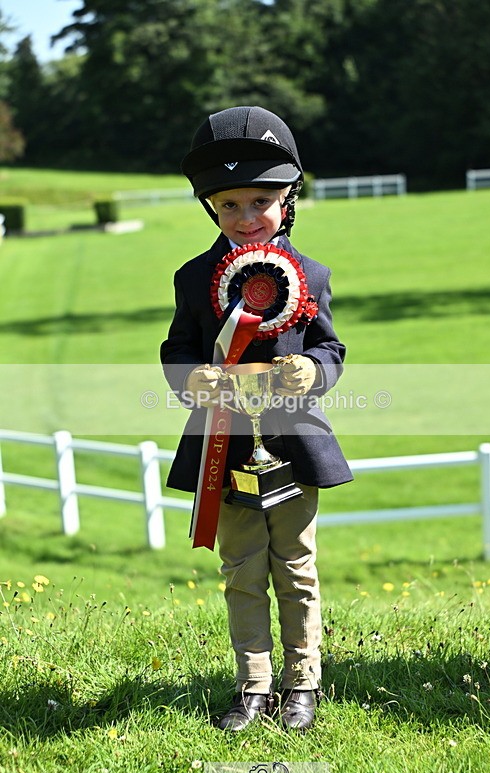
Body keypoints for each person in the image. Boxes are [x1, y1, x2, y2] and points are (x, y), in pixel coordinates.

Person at [161, 106, 353, 732]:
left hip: (294, 444)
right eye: (230, 206)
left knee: (295, 566)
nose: (246, 218)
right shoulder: (194, 278)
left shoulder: (312, 275)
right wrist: (192, 378)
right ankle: (253, 685)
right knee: (242, 569)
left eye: (261, 202)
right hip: (224, 445)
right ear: (211, 208)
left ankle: (303, 682)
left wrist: (314, 371)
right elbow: (177, 349)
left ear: (288, 199)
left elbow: (330, 347)